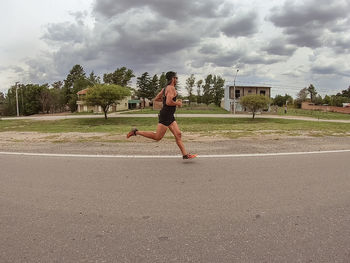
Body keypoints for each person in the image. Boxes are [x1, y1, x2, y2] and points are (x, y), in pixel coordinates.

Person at [127, 71, 197, 159]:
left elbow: (156, 99)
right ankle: (135, 132)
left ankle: (185, 155)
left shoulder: (165, 89)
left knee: (178, 134)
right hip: (165, 116)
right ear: (172, 78)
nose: (177, 80)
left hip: (170, 115)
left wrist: (165, 101)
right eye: (176, 78)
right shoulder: (171, 88)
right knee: (157, 137)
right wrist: (177, 103)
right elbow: (168, 102)